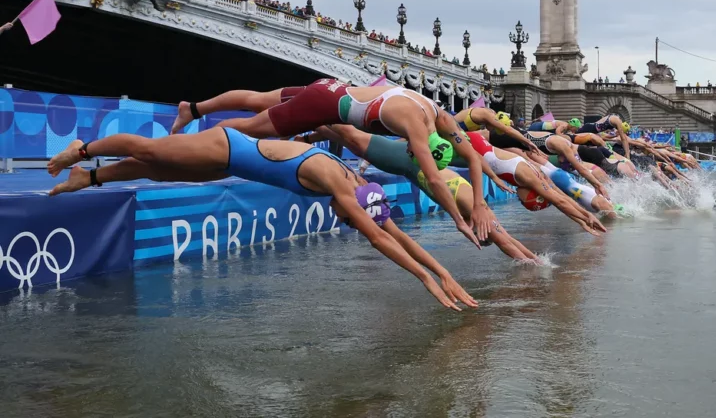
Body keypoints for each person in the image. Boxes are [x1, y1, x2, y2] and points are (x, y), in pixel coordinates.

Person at [47, 131, 477, 311]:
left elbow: (393, 233)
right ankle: (82, 151)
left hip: (233, 164)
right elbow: (383, 242)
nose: (344, 223)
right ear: (354, 207)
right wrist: (425, 280)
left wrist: (443, 273)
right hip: (228, 147)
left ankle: (90, 177)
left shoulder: (357, 187)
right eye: (349, 223)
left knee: (159, 171)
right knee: (151, 152)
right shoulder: (342, 185)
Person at [170, 80, 509, 248]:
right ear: (417, 146)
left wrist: (479, 203)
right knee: (247, 128)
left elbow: (473, 159)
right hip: (322, 107)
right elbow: (435, 180)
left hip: (329, 87)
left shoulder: (439, 117)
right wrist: (460, 222)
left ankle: (194, 109)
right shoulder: (415, 129)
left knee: (257, 100)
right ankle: (205, 142)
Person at [301, 125, 541, 261]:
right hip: (404, 161)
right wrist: (532, 266)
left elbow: (508, 239)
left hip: (406, 162)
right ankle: (307, 116)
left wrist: (534, 259)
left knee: (348, 137)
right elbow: (505, 241)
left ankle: (308, 133)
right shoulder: (479, 214)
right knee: (350, 135)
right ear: (481, 232)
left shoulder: (476, 212)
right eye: (479, 237)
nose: (475, 236)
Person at [456, 131, 608, 233]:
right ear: (532, 194)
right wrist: (587, 217)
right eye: (523, 202)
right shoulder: (527, 178)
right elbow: (559, 201)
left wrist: (581, 219)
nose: (519, 200)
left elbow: (560, 197)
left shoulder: (537, 175)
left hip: (480, 143)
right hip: (474, 143)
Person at [453, 107, 541, 151]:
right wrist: (528, 142)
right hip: (449, 129)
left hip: (456, 130)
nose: (491, 130)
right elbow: (508, 130)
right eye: (494, 128)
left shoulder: (488, 114)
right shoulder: (488, 115)